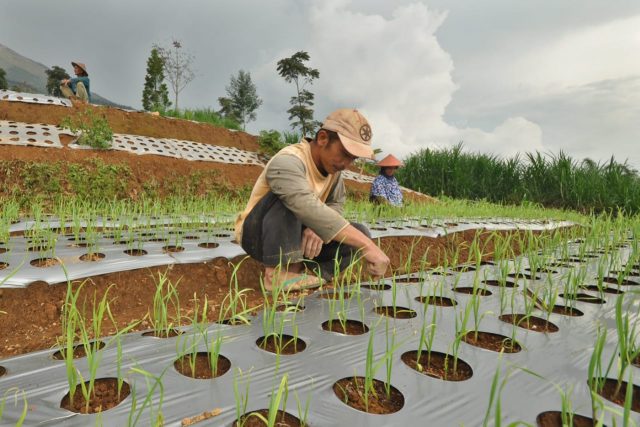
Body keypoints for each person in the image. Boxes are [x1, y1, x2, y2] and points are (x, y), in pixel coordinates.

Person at [235, 108, 391, 291]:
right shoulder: (289, 161)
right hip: (257, 235)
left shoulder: (334, 174)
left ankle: (307, 273)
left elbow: (336, 205)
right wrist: (368, 247)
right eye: (344, 154)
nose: (346, 164)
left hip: (298, 234)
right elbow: (303, 205)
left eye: (353, 159)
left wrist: (319, 229)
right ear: (323, 138)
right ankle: (275, 275)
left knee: (360, 233)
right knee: (291, 204)